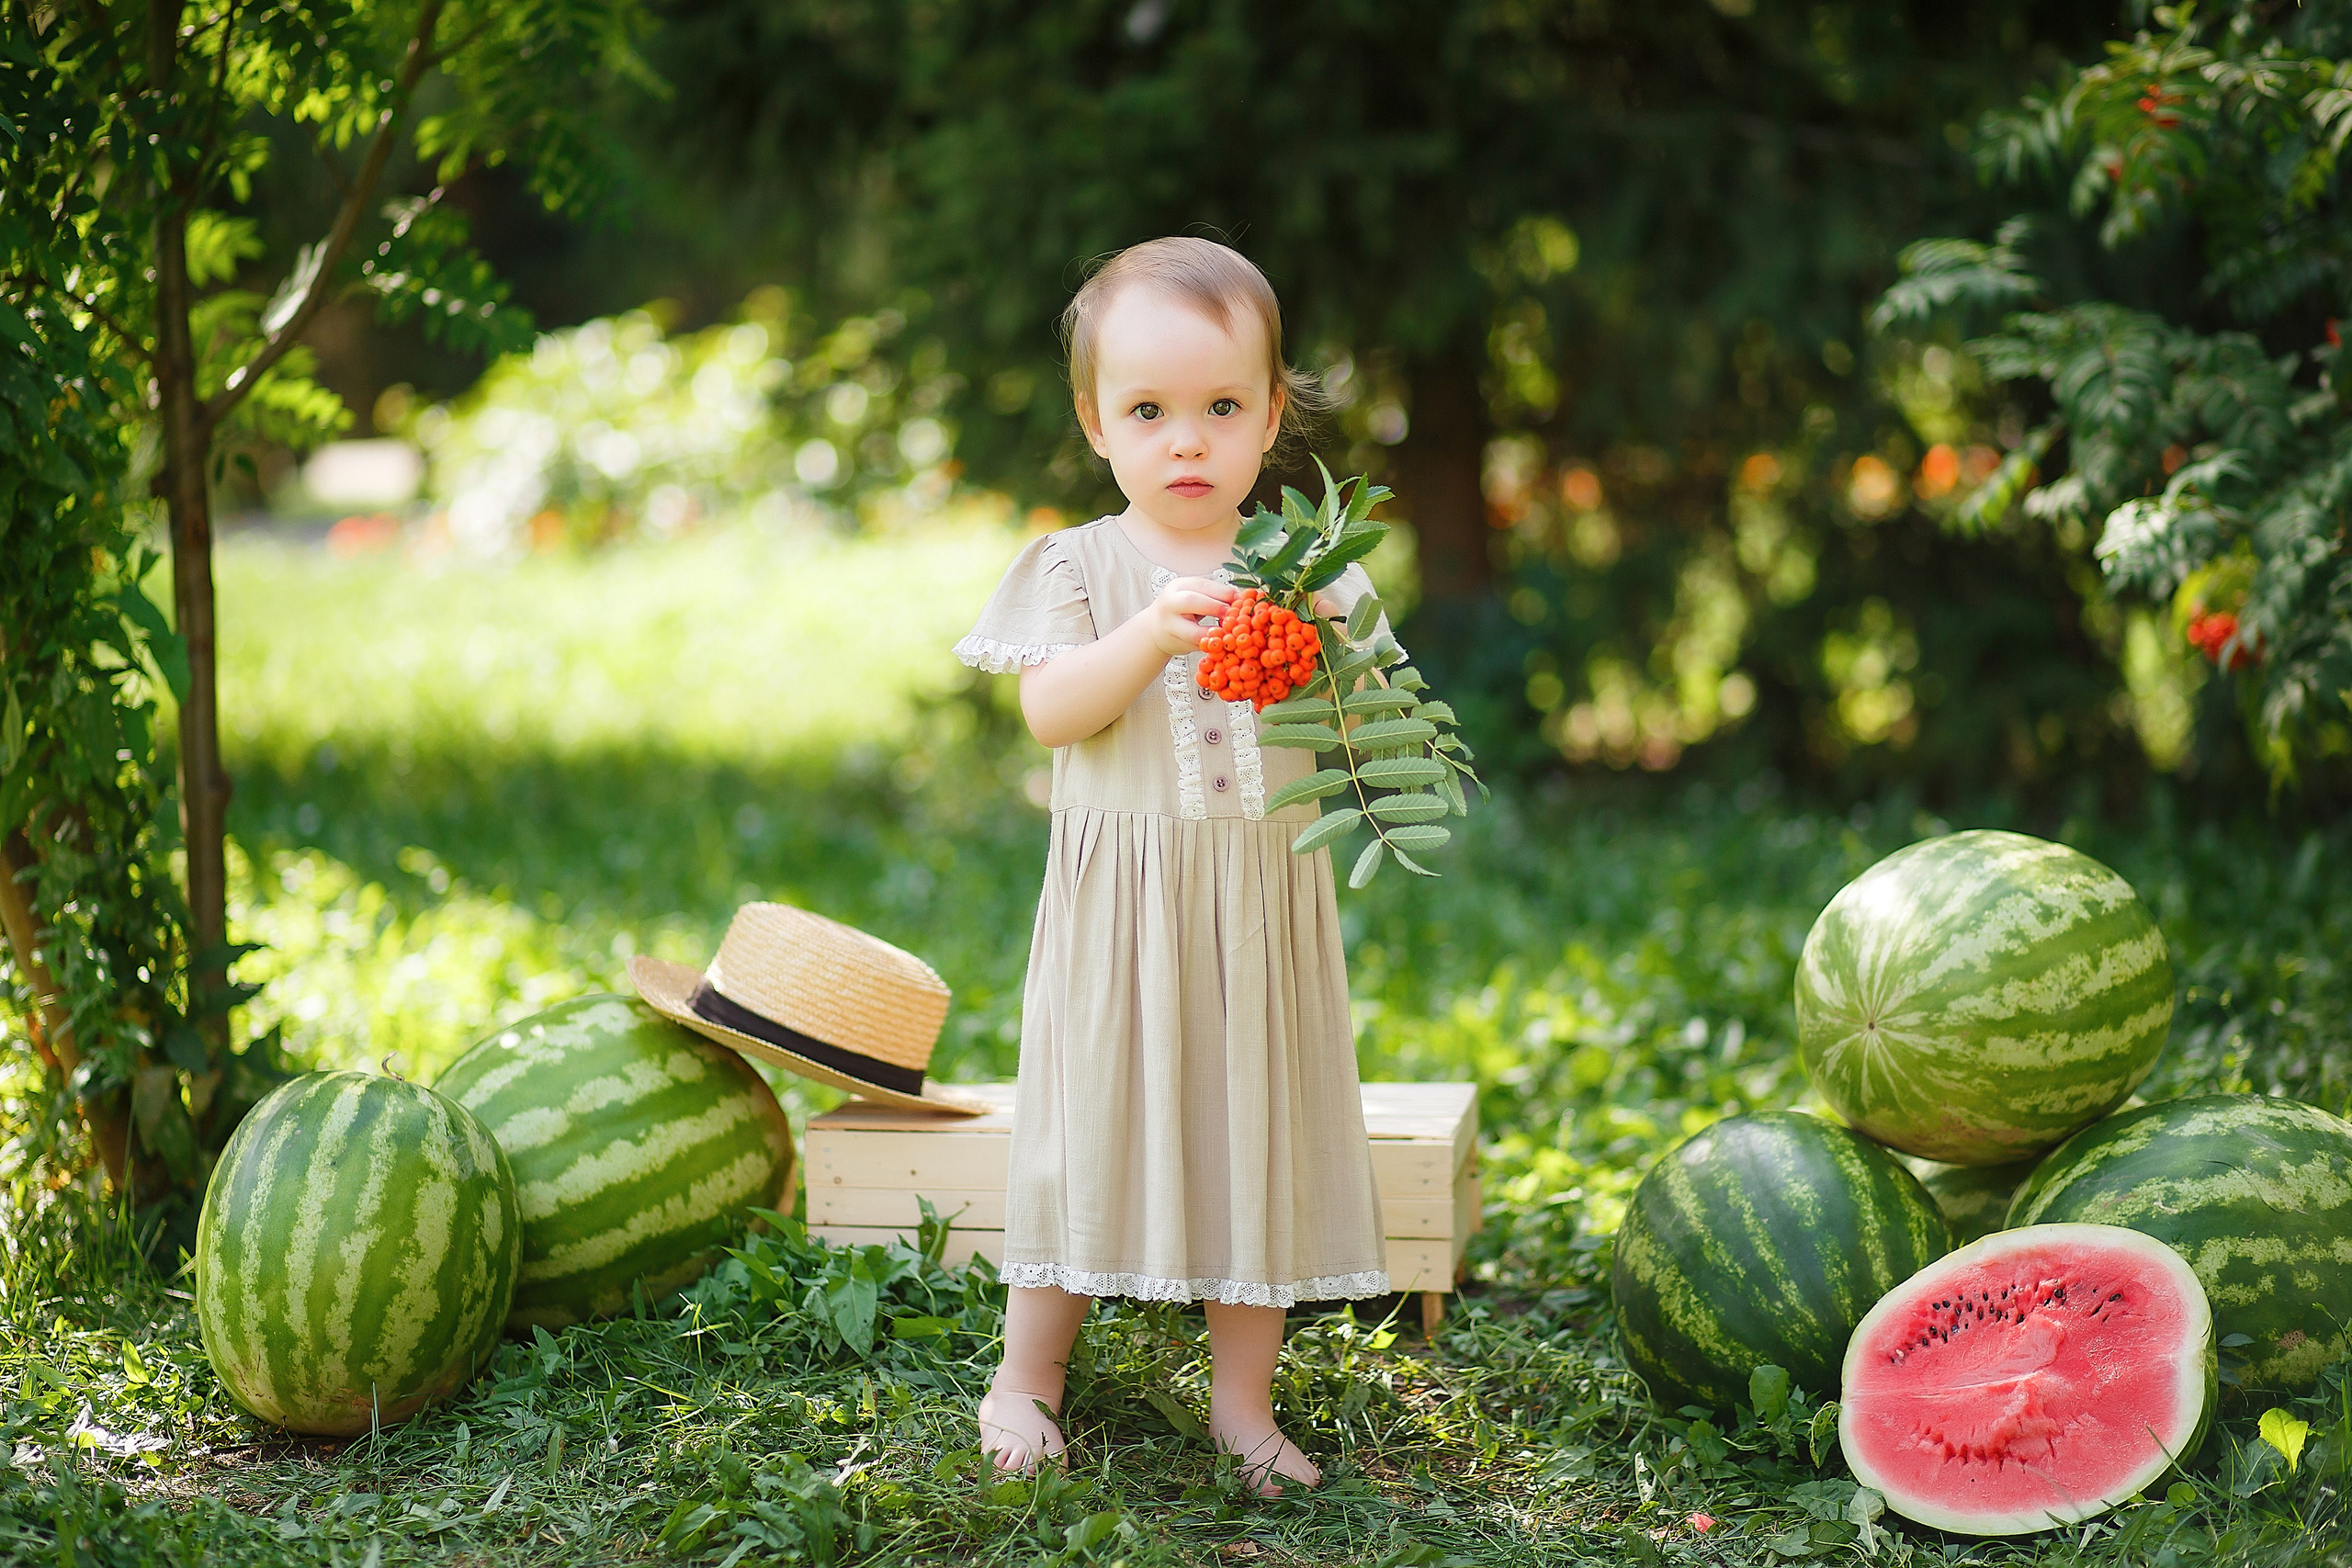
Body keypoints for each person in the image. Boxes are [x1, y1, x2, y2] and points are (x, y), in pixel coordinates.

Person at [953, 237, 1395, 1495]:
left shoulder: (1316, 572)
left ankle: (1241, 1407)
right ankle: (1025, 1380)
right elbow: (1053, 715)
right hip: (1120, 917)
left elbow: (1370, 730)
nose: (1185, 442)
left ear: (1269, 416)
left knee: (1258, 1133)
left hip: (1260, 912)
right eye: (1149, 412)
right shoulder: (1081, 569)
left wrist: (1317, 651)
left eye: (1218, 408)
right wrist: (1151, 633)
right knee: (1082, 1130)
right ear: (1097, 423)